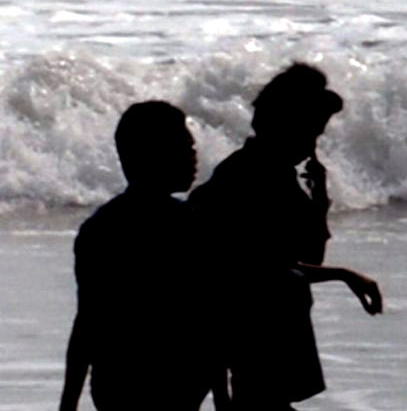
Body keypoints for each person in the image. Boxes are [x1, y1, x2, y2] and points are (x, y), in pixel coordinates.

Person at [188, 64, 382, 410]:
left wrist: (319, 206)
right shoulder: (250, 177)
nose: (312, 147)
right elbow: (258, 270)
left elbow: (300, 259)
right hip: (243, 334)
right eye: (310, 134)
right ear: (285, 124)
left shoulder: (274, 175)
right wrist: (342, 274)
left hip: (254, 340)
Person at [60, 101, 228, 411]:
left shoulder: (99, 228)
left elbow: (87, 324)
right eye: (184, 147)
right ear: (154, 155)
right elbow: (210, 320)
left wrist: (67, 404)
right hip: (179, 384)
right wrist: (222, 399)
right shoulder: (192, 226)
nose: (194, 156)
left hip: (116, 386)